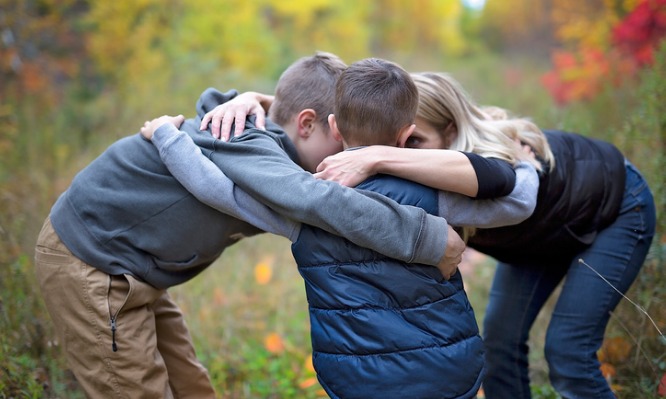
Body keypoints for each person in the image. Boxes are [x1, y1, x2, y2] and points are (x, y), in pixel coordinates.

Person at [33, 52, 470, 399]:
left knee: (191, 387)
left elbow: (290, 120)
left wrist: (255, 97)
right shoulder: (252, 150)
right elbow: (321, 202)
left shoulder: (263, 132)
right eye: (343, 138)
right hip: (93, 264)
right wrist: (430, 237)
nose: (351, 153)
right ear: (308, 123)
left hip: (138, 269)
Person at [143, 58, 539, 399]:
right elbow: (518, 203)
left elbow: (217, 191)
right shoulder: (435, 191)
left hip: (357, 380)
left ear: (334, 127)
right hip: (446, 373)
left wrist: (167, 136)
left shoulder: (300, 200)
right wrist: (524, 161)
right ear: (405, 135)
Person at [314, 71, 657, 399]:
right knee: (499, 344)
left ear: (450, 130)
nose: (401, 151)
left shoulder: (496, 156)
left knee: (568, 351)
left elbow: (521, 199)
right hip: (538, 242)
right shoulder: (407, 162)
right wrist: (265, 101)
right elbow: (350, 101)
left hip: (615, 208)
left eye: (413, 141)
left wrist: (381, 155)